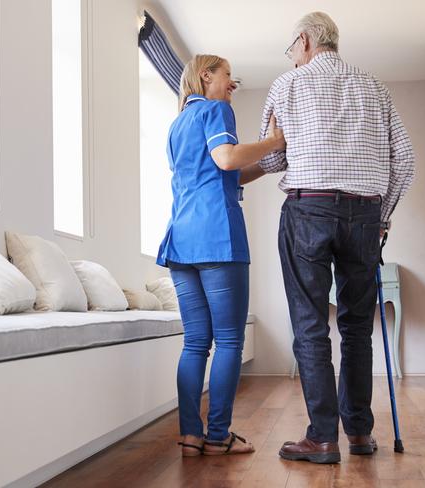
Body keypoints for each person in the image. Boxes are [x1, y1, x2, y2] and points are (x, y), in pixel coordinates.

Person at [257, 12, 415, 463]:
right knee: (357, 328)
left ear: (304, 42)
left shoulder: (288, 86)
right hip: (364, 213)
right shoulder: (375, 87)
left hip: (308, 208)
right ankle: (360, 435)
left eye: (292, 49)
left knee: (310, 326)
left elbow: (271, 159)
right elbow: (404, 160)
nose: (291, 58)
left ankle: (323, 438)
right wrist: (380, 216)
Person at [156, 54, 286, 456]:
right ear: (206, 75)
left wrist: (266, 164)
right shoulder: (216, 110)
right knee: (229, 340)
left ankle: (191, 434)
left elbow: (225, 171)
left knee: (195, 342)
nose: (233, 84)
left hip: (181, 239)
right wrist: (274, 142)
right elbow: (227, 158)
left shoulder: (177, 125)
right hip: (217, 237)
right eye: (229, 76)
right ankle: (217, 436)